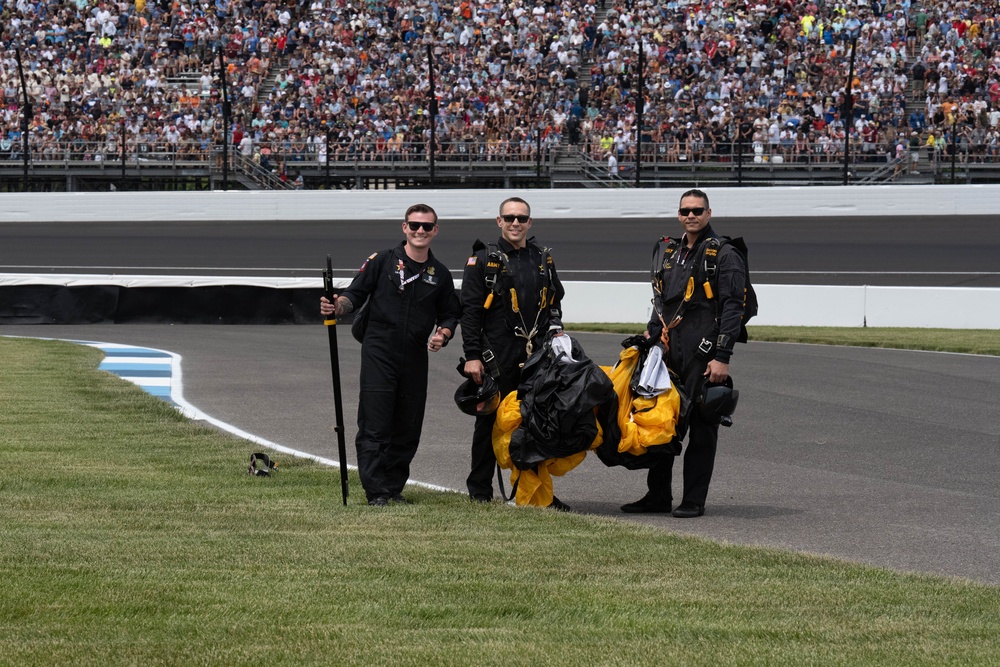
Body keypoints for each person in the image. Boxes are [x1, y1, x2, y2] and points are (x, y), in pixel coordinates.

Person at [320, 204, 461, 506]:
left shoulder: (441, 274)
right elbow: (354, 295)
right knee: (375, 423)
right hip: (379, 352)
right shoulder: (382, 261)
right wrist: (338, 306)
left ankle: (393, 487)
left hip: (415, 356)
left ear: (435, 230)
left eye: (426, 226)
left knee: (408, 425)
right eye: (414, 225)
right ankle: (376, 492)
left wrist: (443, 335)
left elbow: (450, 314)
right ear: (404, 227)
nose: (419, 231)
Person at [621, 189, 746, 518]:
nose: (691, 215)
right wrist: (650, 334)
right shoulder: (672, 252)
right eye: (685, 211)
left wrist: (722, 355)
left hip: (704, 356)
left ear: (709, 213)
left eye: (697, 210)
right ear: (679, 215)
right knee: (660, 424)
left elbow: (734, 307)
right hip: (668, 353)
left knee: (703, 430)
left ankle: (693, 500)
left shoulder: (724, 253)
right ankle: (658, 496)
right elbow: (662, 300)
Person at [460, 196, 565, 503]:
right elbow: (469, 313)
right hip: (497, 356)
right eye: (509, 218)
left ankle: (536, 493)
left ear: (530, 222)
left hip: (537, 356)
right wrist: (472, 356)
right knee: (489, 423)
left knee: (536, 424)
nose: (515, 223)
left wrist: (557, 329)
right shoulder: (482, 260)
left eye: (521, 218)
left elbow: (555, 300)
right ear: (499, 221)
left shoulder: (542, 257)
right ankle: (480, 490)